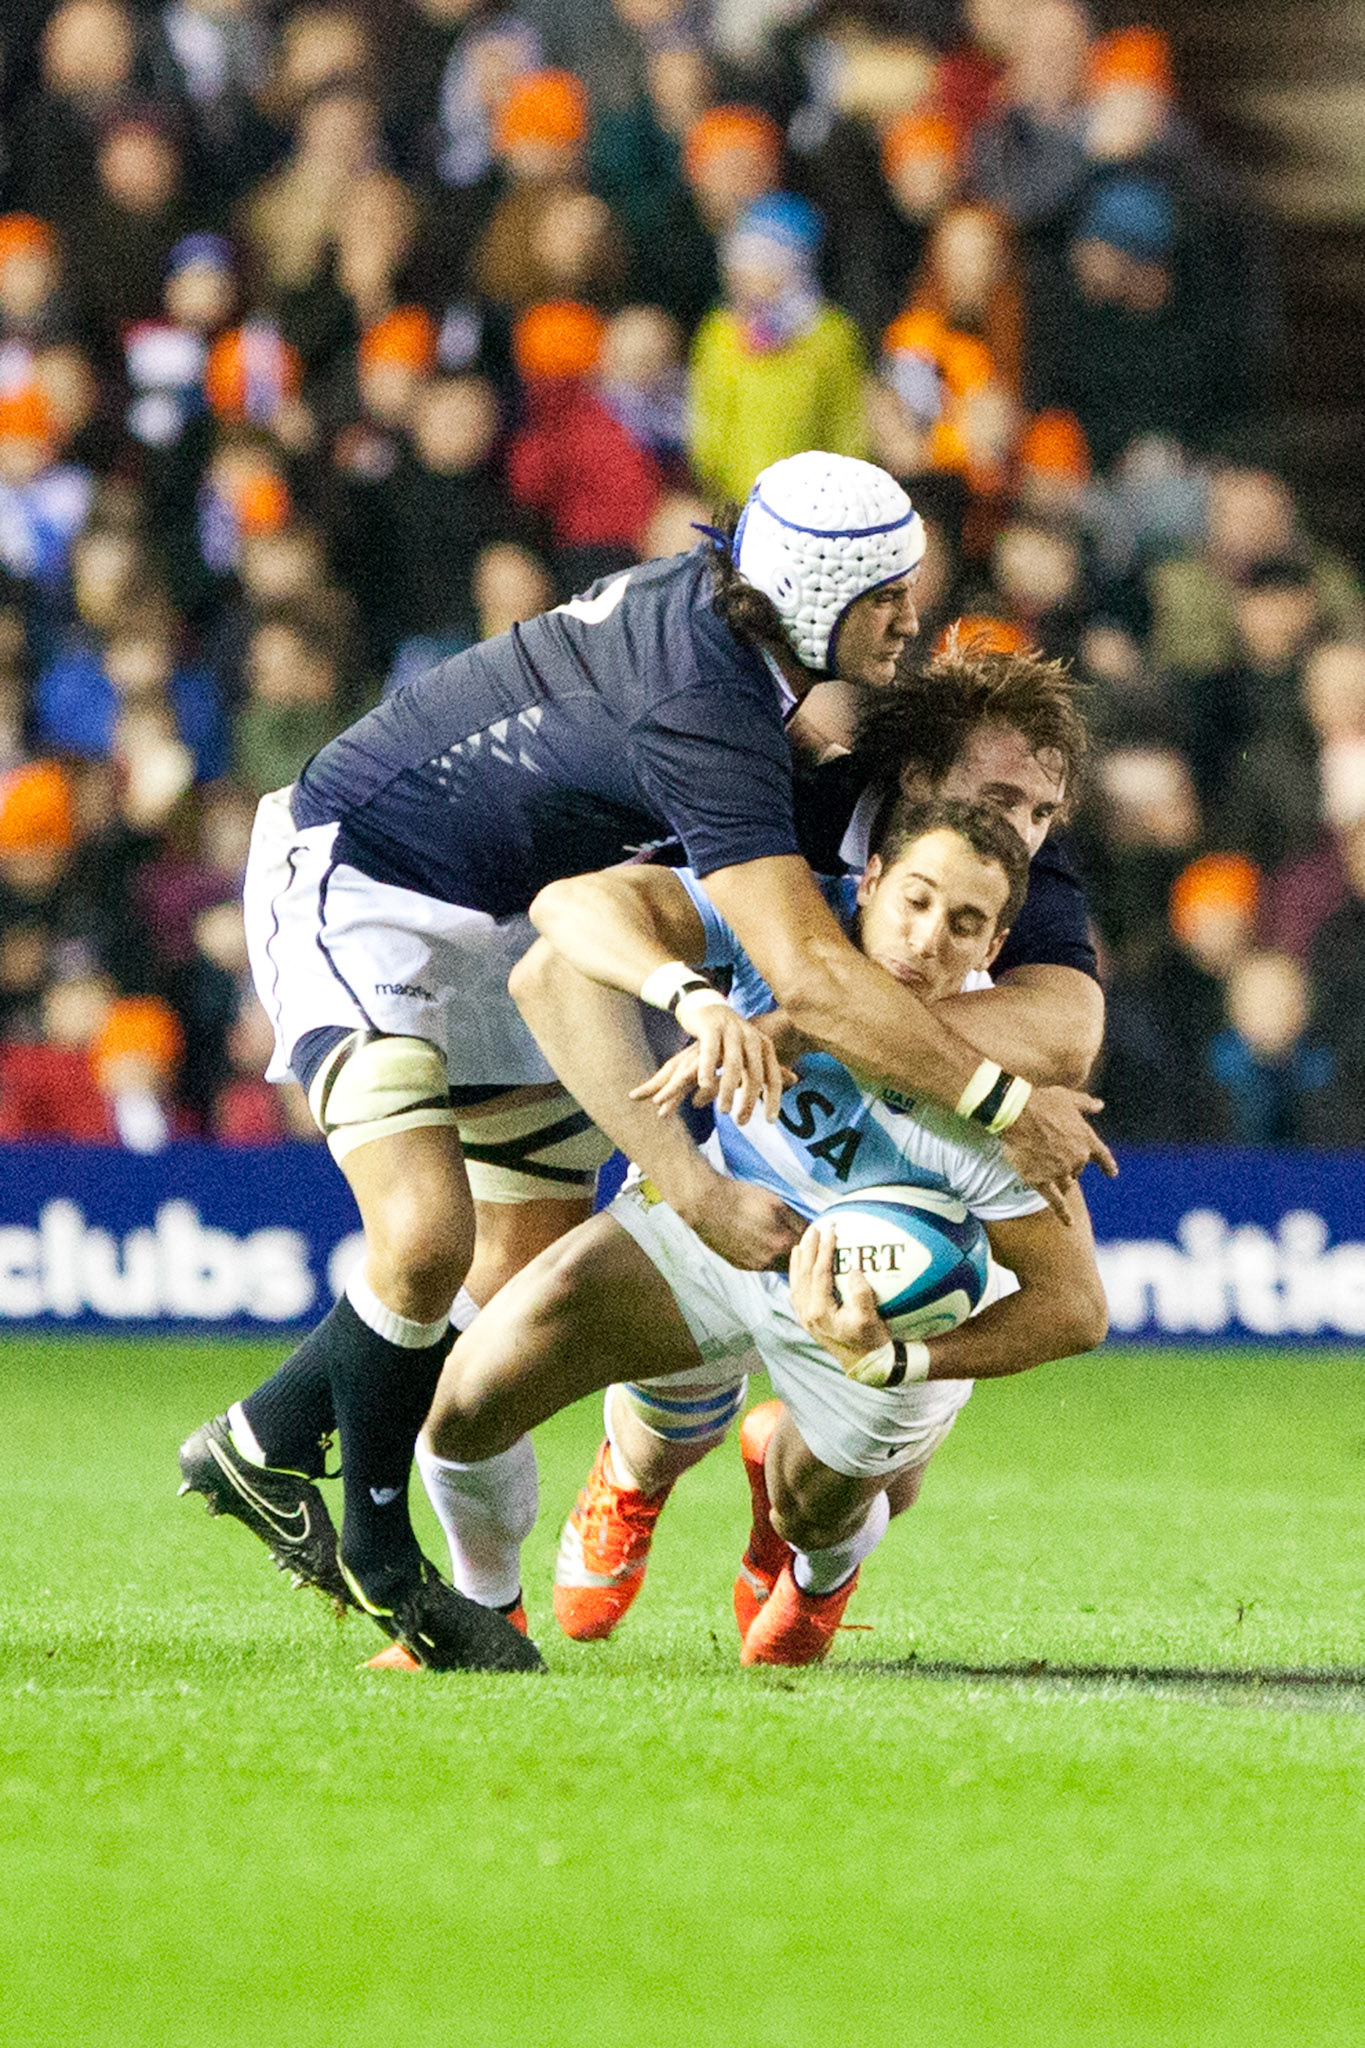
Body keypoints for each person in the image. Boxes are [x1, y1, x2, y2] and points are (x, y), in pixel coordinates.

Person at [178, 449, 1110, 1673]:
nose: (1021, 838)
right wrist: (772, 1065)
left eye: (1041, 816)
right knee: (427, 1242)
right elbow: (583, 956)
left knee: (520, 1269)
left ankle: (306, 1454)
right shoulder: (743, 737)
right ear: (908, 782)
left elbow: (1069, 1030)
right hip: (373, 879)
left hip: (552, 945)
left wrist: (817, 1030)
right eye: (887, 594)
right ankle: (386, 1543)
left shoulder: (998, 854)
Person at [413, 642, 1106, 1644]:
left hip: (878, 1289)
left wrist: (906, 1357)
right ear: (871, 874)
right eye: (915, 899)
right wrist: (690, 1153)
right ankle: (508, 1590)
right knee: (483, 1393)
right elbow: (555, 948)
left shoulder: (1015, 995)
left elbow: (1076, 1287)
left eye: (1042, 815)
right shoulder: (784, 863)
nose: (1023, 833)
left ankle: (817, 1571)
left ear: (997, 939)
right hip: (733, 1200)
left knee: (830, 1502)